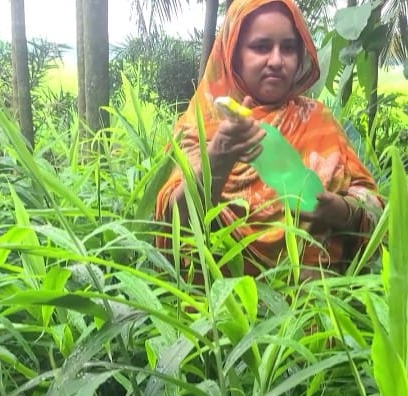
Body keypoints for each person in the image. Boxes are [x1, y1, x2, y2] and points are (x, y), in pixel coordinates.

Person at [154, 0, 384, 280]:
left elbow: (375, 209)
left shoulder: (318, 121)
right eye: (261, 47)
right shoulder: (199, 128)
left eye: (287, 48)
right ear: (233, 54)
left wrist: (342, 211)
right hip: (220, 314)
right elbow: (170, 229)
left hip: (314, 314)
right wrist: (219, 157)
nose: (276, 60)